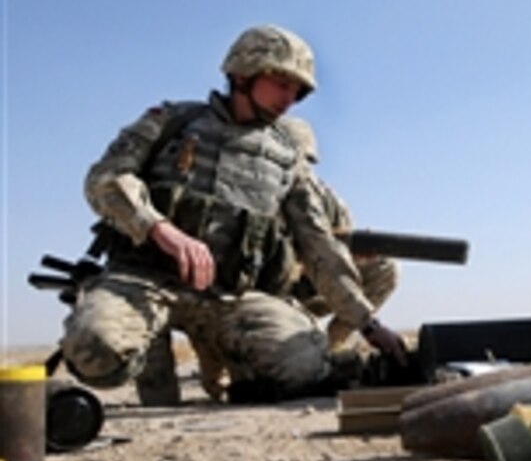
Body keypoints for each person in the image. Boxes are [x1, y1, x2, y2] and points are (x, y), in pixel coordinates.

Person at [61, 24, 405, 405]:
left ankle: (231, 368)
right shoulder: (171, 121)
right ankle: (141, 338)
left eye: (299, 91)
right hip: (145, 280)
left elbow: (319, 246)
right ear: (243, 74)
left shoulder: (287, 159)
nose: (290, 98)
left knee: (306, 367)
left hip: (230, 299)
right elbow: (105, 178)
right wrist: (158, 227)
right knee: (96, 352)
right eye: (282, 83)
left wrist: (369, 325)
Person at [277, 115, 399, 352]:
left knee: (385, 267)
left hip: (313, 288)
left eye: (304, 161)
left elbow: (332, 263)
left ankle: (334, 344)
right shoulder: (254, 198)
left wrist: (351, 254)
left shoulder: (327, 202)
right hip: (269, 294)